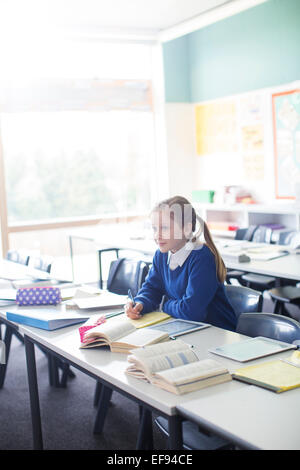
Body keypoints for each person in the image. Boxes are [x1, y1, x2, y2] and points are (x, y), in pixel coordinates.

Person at [125, 195, 237, 332]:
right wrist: (139, 304)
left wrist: (164, 304)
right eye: (154, 228)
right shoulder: (161, 254)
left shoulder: (202, 257)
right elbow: (152, 289)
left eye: (164, 228)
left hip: (217, 332)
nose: (157, 235)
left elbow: (192, 312)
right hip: (185, 327)